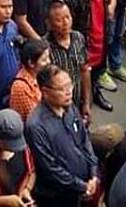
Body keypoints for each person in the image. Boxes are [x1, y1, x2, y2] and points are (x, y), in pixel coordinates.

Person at [26, 65, 99, 204]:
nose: (69, 92)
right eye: (61, 89)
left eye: (70, 85)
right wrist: (81, 186)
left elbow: (85, 141)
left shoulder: (71, 108)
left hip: (86, 183)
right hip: (58, 195)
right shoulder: (36, 126)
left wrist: (94, 174)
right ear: (45, 91)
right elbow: (50, 168)